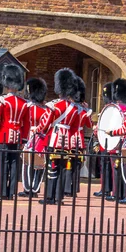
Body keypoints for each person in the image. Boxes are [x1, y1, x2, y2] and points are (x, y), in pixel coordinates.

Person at [36, 68, 80, 205]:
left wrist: (37, 130)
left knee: (51, 167)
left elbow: (45, 123)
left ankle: (50, 196)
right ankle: (58, 197)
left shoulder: (54, 105)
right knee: (61, 169)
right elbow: (74, 127)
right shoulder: (74, 108)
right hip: (66, 141)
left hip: (54, 139)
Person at [0, 64, 29, 201]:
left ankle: (2, 191)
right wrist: (23, 140)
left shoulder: (1, 101)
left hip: (3, 135)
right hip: (17, 136)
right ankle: (11, 192)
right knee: (13, 164)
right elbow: (27, 124)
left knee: (2, 164)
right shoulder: (24, 103)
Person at [100, 78, 126, 202]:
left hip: (117, 141)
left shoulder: (115, 108)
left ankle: (117, 193)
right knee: (125, 169)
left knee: (117, 169)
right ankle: (123, 194)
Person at [19, 77, 50, 198]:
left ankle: (28, 188)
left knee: (27, 163)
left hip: (30, 137)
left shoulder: (29, 108)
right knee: (40, 165)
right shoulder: (46, 109)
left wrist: (22, 138)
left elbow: (24, 124)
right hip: (42, 139)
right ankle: (35, 188)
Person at [65, 76, 92, 197]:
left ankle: (66, 187)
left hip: (69, 137)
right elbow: (89, 125)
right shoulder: (84, 111)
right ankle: (74, 188)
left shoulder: (71, 109)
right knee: (76, 165)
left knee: (67, 163)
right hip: (79, 139)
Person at [94, 82, 114, 198]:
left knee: (106, 166)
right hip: (107, 141)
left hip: (107, 141)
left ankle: (106, 189)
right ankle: (106, 188)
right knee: (106, 166)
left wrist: (97, 130)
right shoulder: (110, 108)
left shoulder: (109, 108)